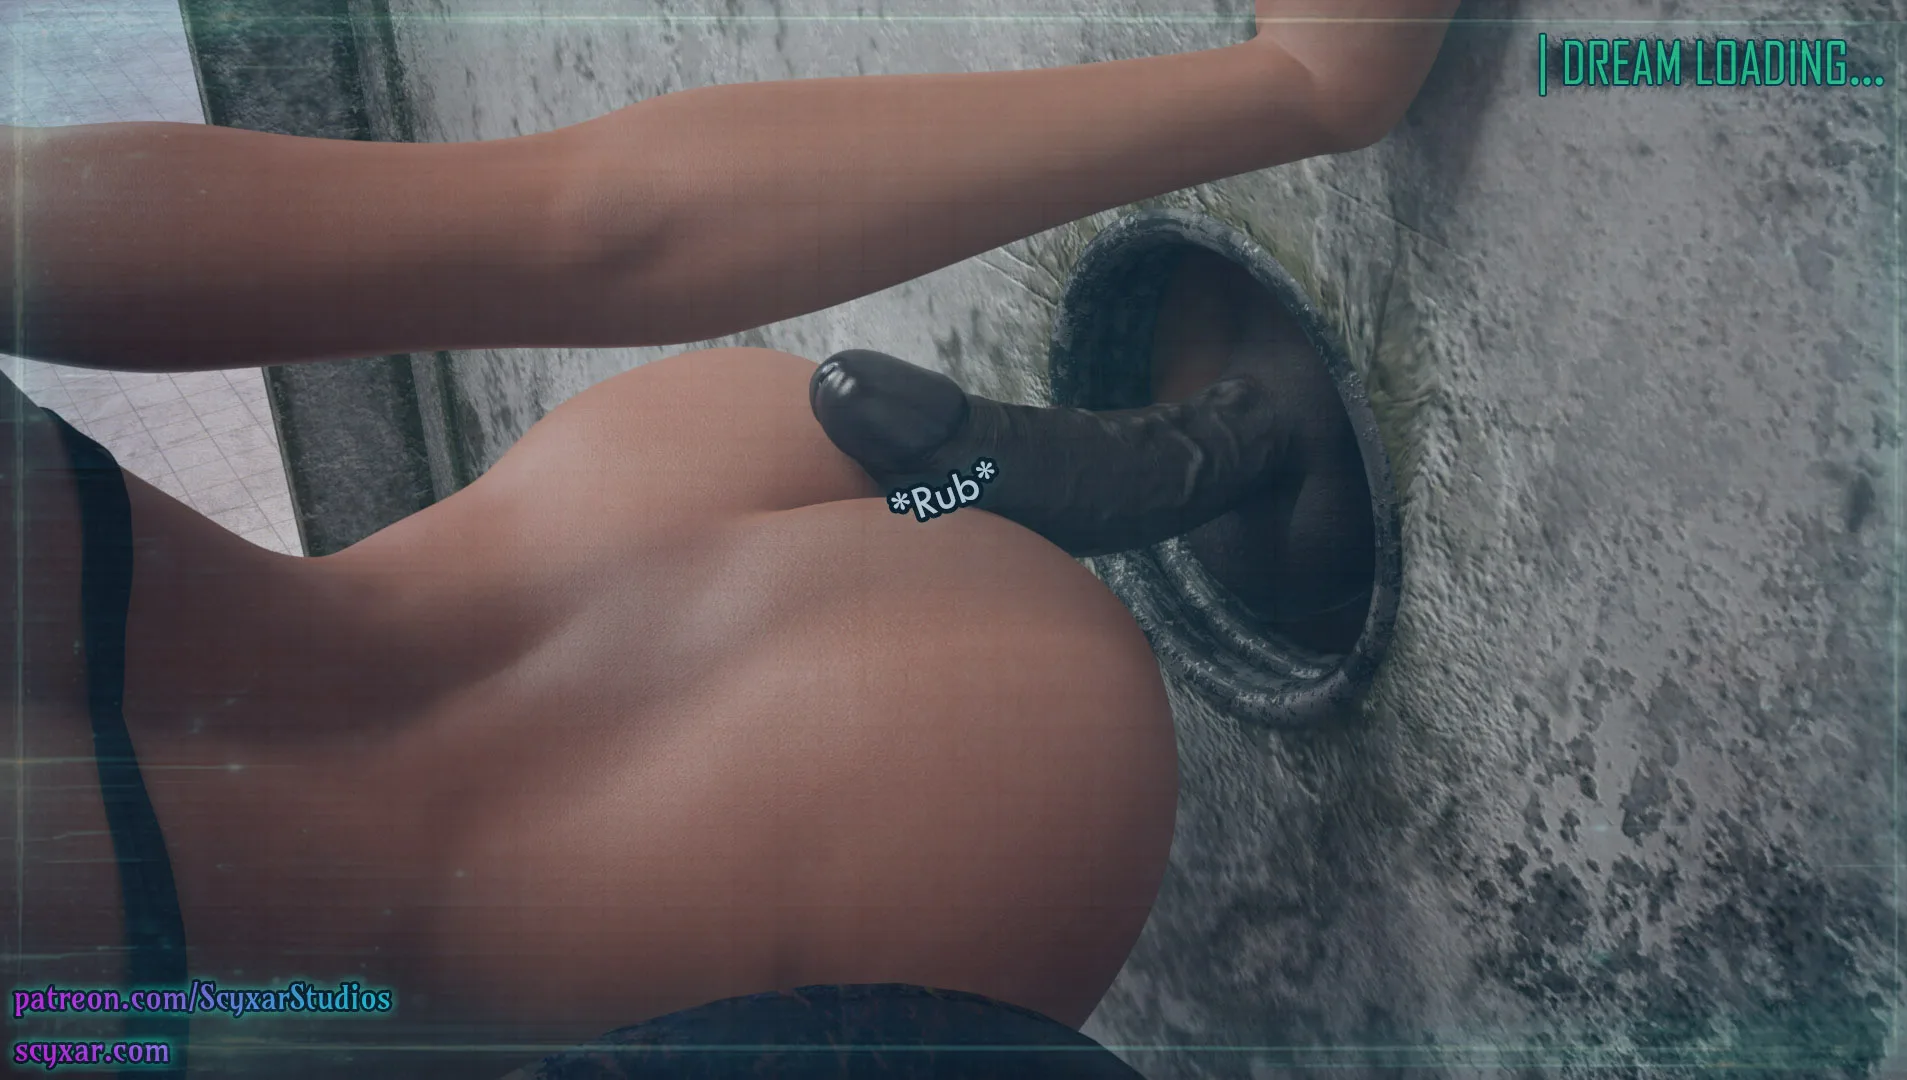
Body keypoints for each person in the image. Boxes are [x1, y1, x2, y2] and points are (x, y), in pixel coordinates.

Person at [0, 2, 1457, 1076]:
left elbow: (586, 224)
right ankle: (1057, 485)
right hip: (776, 895)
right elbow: (577, 227)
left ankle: (1064, 480)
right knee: (882, 513)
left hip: (680, 597)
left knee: (865, 470)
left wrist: (1294, 86)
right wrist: (1293, 86)